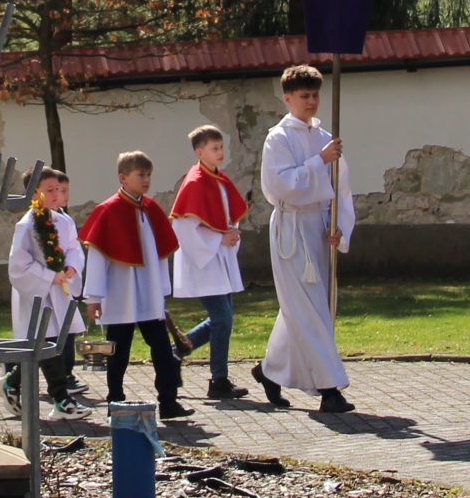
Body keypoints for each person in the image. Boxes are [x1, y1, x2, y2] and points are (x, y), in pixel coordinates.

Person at [255, 65, 357, 414]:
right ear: (288, 99)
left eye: (315, 95)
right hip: (291, 227)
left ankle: (269, 369)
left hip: (318, 226)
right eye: (304, 96)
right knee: (309, 307)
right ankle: (329, 388)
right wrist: (319, 160)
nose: (311, 101)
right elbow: (281, 185)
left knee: (309, 304)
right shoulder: (278, 138)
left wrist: (337, 224)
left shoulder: (324, 136)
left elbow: (340, 187)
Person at [80, 151, 192, 421]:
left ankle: (168, 402)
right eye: (140, 175)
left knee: (162, 348)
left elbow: (160, 254)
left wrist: (162, 289)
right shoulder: (107, 211)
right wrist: (94, 297)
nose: (146, 180)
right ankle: (115, 403)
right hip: (120, 293)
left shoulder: (151, 208)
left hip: (149, 292)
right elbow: (97, 259)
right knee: (119, 351)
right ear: (123, 178)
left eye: (148, 175)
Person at [170, 126, 251, 401]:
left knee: (221, 319)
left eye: (221, 147)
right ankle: (218, 379)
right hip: (204, 261)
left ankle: (175, 353)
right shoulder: (194, 182)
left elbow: (227, 215)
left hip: (220, 258)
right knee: (222, 319)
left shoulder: (219, 179)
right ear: (199, 151)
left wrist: (232, 233)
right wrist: (219, 239)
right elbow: (184, 228)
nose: (220, 152)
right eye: (214, 148)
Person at [3, 166, 87, 415]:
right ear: (34, 192)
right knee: (46, 342)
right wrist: (49, 276)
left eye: (57, 189)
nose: (55, 194)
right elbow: (18, 265)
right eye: (49, 190)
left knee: (47, 344)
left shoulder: (63, 220)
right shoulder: (26, 225)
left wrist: (71, 266)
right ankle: (61, 399)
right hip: (37, 294)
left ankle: (11, 382)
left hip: (59, 292)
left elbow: (73, 248)